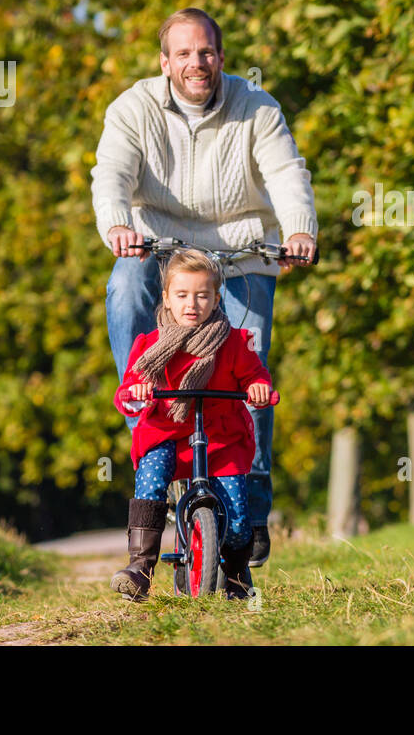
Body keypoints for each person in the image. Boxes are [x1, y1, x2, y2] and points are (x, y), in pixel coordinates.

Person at [92, 7, 317, 569]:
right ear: (164, 62)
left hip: (241, 249)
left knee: (251, 364)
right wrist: (118, 223)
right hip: (158, 246)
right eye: (185, 53)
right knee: (123, 291)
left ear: (221, 57)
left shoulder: (257, 107)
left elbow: (288, 173)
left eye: (207, 52)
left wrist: (298, 230)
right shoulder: (133, 108)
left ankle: (254, 503)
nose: (198, 63)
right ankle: (152, 424)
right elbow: (112, 174)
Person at [111, 249, 273, 601]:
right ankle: (140, 567)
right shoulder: (149, 345)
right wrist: (137, 391)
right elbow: (127, 392)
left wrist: (259, 387)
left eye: (202, 295)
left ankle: (236, 575)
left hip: (220, 438)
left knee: (239, 513)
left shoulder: (232, 342)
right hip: (166, 433)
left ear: (217, 299)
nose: (192, 304)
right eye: (182, 295)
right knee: (151, 479)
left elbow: (254, 374)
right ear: (166, 298)